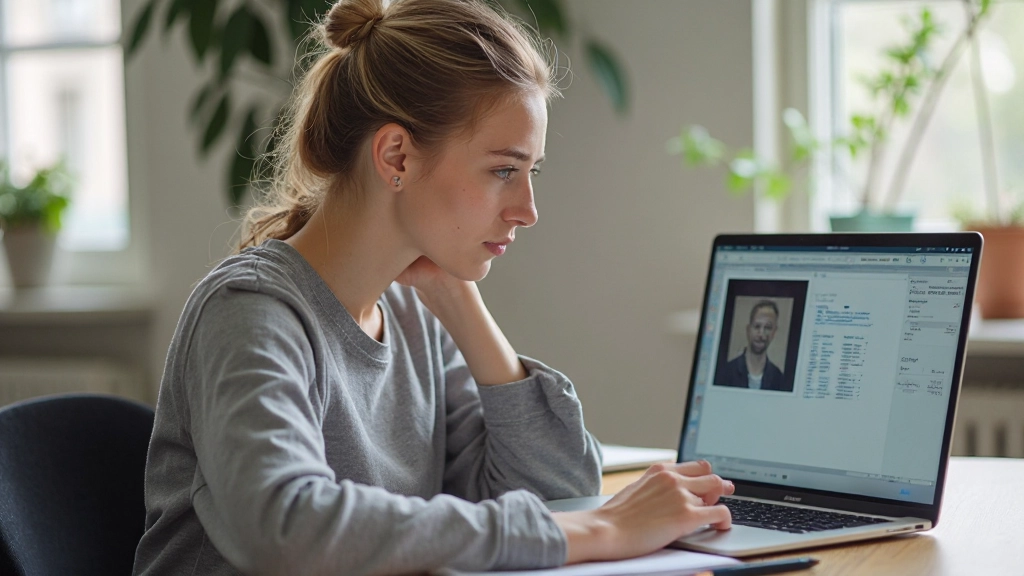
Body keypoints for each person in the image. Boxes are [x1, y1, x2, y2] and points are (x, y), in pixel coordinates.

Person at [132, 0, 733, 573]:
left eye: (531, 173)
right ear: (396, 156)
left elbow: (559, 490)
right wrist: (601, 531)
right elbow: (284, 528)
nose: (527, 210)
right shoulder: (250, 313)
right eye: (503, 170)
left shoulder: (413, 314)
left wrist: (459, 303)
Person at [716, 300, 788, 391]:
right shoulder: (726, 372)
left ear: (774, 332)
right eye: (757, 326)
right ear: (748, 329)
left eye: (768, 328)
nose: (761, 334)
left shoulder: (779, 379)